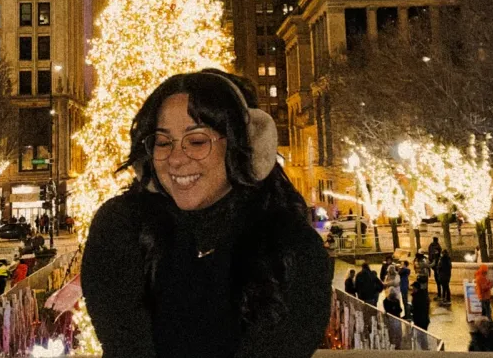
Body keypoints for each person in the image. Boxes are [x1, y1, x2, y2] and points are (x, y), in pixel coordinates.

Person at [81, 70, 332, 358]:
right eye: (163, 142)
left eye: (197, 141)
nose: (176, 159)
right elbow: (126, 346)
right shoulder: (120, 229)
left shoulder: (293, 250)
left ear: (244, 145)